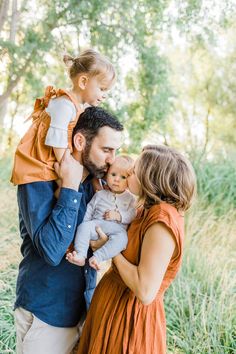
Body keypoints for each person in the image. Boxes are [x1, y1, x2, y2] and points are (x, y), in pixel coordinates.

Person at [13, 106, 123, 354]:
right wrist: (70, 187)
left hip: (83, 309)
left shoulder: (96, 185)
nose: (112, 159)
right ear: (80, 141)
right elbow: (52, 251)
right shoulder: (38, 178)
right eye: (106, 150)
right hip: (46, 315)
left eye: (115, 151)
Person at [77, 144, 196, 354]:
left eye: (133, 171)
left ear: (150, 178)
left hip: (129, 320)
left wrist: (108, 248)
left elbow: (145, 290)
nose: (128, 173)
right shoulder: (143, 209)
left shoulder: (162, 220)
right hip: (110, 306)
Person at [10, 49, 115, 186]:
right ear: (83, 82)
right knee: (38, 207)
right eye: (102, 89)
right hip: (36, 168)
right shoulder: (64, 105)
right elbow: (57, 139)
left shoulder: (80, 107)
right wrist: (67, 169)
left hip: (48, 167)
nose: (105, 95)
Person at [66, 155, 137, 270]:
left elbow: (132, 214)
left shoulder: (130, 198)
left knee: (122, 238)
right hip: (96, 225)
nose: (117, 179)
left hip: (116, 230)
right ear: (107, 174)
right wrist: (85, 225)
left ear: (129, 180)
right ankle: (80, 255)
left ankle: (97, 257)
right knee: (83, 227)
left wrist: (119, 216)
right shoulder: (100, 194)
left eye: (123, 177)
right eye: (113, 174)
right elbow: (90, 209)